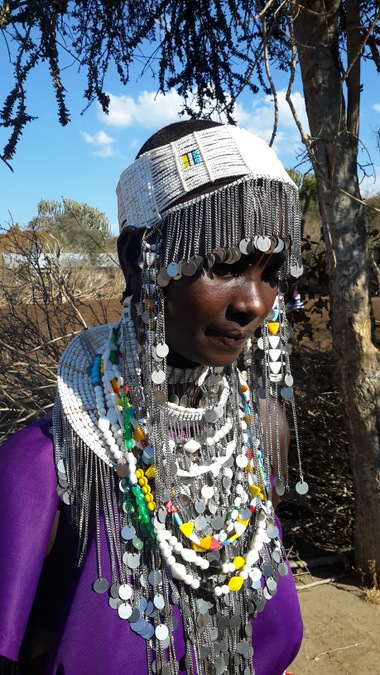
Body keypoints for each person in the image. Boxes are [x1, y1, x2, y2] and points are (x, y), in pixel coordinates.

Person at [0, 120, 306, 675]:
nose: (254, 303)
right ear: (136, 258)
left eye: (272, 271)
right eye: (226, 265)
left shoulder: (259, 434)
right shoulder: (47, 466)